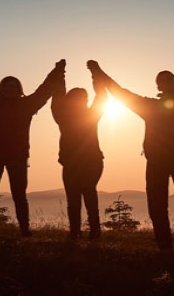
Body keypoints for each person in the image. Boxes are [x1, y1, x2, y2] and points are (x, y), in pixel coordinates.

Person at [88, 33, 174, 251]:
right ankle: (165, 248)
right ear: (158, 86)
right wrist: (98, 72)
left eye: (168, 77)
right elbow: (119, 92)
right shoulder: (150, 106)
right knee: (157, 206)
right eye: (161, 79)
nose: (164, 81)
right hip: (156, 161)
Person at [0, 47, 64, 236]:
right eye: (6, 86)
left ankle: (24, 229)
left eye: (13, 86)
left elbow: (44, 90)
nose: (10, 89)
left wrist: (57, 71)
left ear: (19, 89)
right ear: (1, 88)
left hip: (17, 156)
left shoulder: (27, 105)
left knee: (19, 195)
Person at [51, 60, 107, 240]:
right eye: (79, 98)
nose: (83, 100)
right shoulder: (63, 116)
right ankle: (78, 232)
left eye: (84, 98)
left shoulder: (90, 115)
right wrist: (60, 73)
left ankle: (92, 232)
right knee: (76, 199)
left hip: (91, 162)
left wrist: (95, 72)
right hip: (73, 163)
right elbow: (58, 95)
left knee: (87, 194)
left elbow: (101, 97)